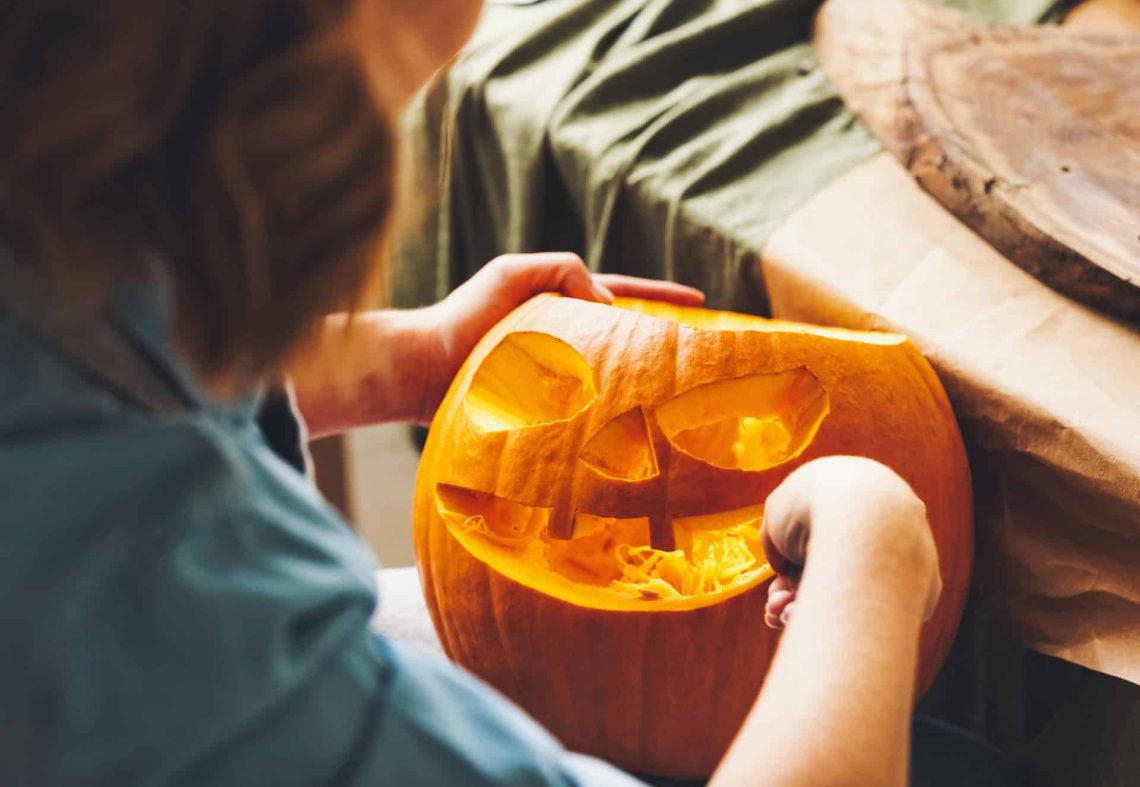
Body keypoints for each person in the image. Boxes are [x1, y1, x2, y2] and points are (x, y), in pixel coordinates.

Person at [0, 2, 993, 786]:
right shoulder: (170, 610)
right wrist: (876, 563)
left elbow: (119, 334)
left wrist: (413, 354)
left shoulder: (46, 223)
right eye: (389, 103)